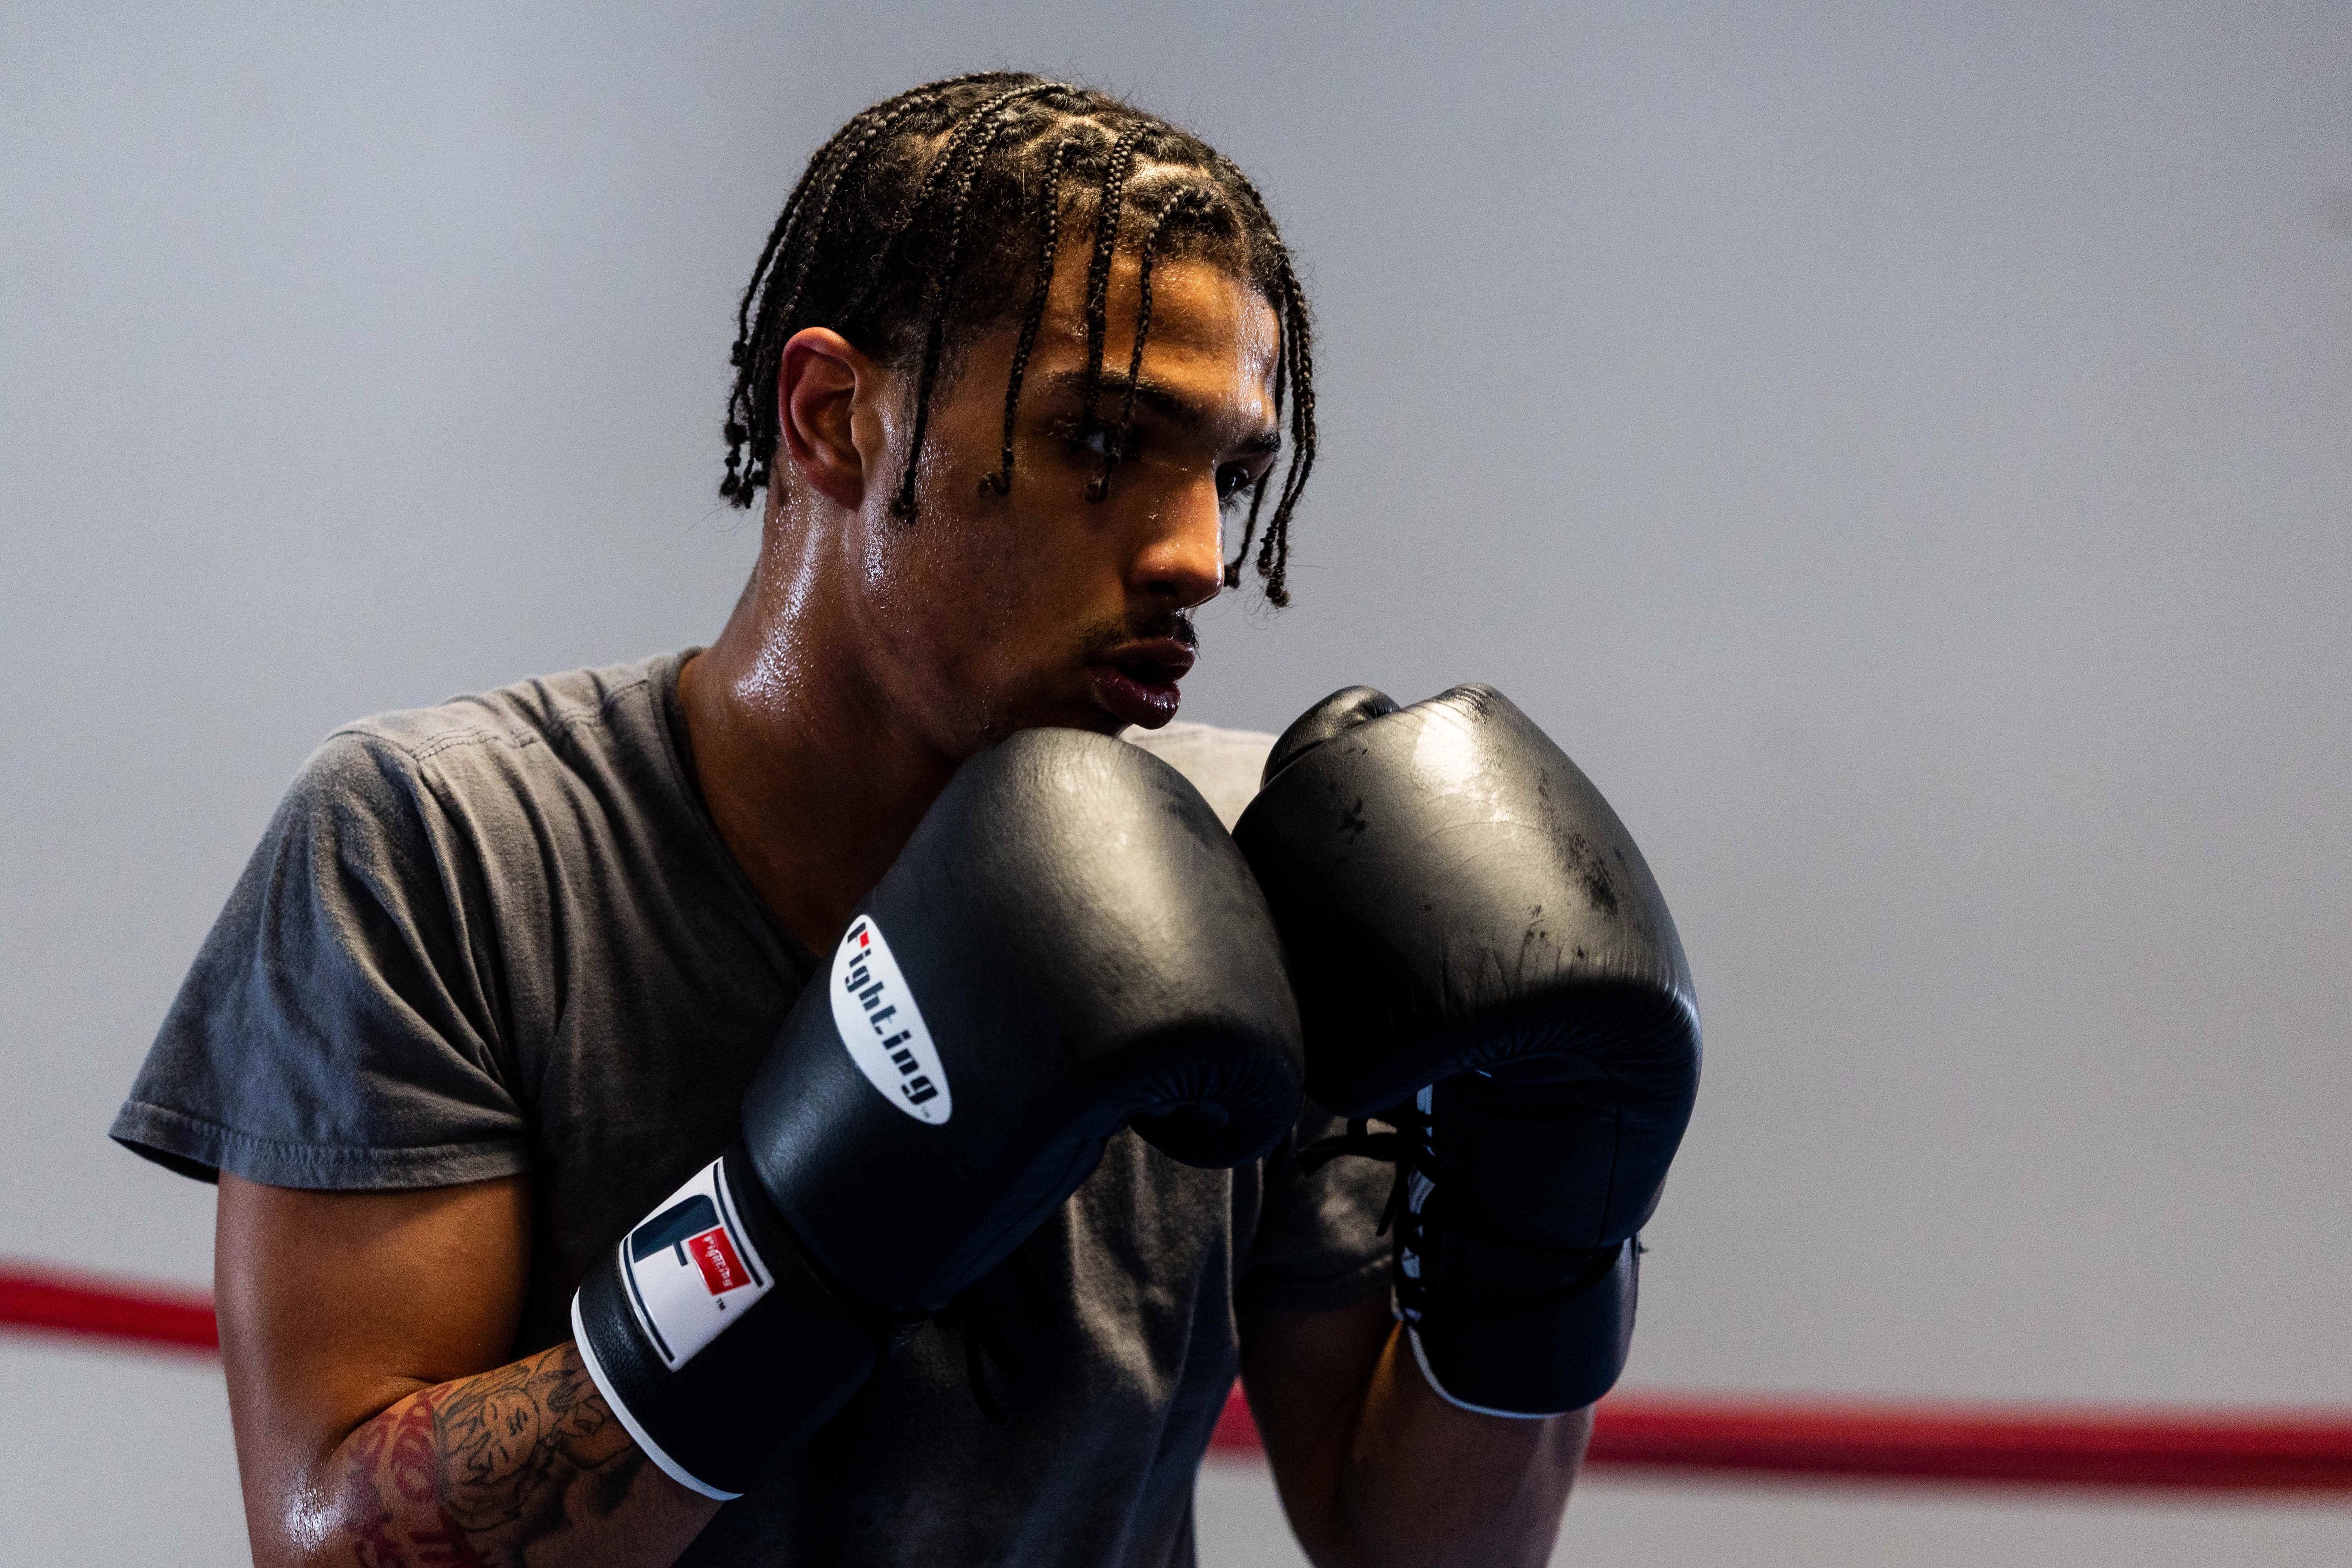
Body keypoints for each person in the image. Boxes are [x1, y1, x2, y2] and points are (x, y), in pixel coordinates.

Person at [112, 73, 1644, 1568]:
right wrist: (804, 1235)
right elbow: (333, 1538)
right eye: (1102, 443)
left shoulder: (1259, 875)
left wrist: (1545, 1217)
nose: (1199, 557)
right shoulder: (448, 846)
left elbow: (1424, 1542)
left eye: (1231, 476)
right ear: (834, 415)